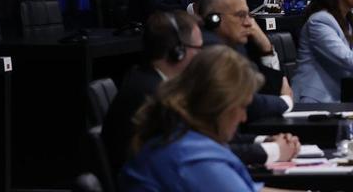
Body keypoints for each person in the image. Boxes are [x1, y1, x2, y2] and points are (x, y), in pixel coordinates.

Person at [103, 11, 297, 174]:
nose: (203, 55)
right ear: (178, 52)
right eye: (198, 48)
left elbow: (206, 139)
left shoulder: (158, 83)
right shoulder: (152, 95)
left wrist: (266, 140)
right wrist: (271, 150)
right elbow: (200, 153)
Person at [118, 45, 294, 192]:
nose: (243, 117)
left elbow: (250, 188)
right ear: (218, 106)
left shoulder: (185, 136)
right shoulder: (192, 158)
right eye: (241, 106)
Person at [196, 0, 294, 120]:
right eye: (241, 16)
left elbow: (269, 91)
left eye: (249, 15)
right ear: (214, 19)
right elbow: (245, 103)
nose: (249, 23)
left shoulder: (239, 47)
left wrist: (266, 48)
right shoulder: (208, 50)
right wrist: (285, 102)